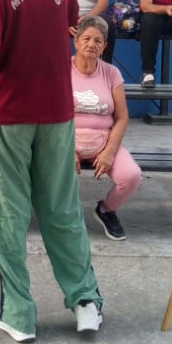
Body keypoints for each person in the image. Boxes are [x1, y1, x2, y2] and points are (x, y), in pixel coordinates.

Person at [0, 0, 104, 343]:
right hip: (56, 110)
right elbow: (68, 25)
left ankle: (19, 315)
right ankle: (86, 303)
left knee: (7, 213)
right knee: (62, 208)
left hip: (9, 114)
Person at [71, 15, 142, 242]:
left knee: (132, 176)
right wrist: (65, 149)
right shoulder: (61, 70)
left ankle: (106, 210)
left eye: (98, 41)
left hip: (103, 141)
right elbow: (50, 116)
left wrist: (110, 151)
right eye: (87, 39)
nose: (92, 44)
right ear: (76, 41)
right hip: (66, 142)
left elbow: (121, 118)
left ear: (105, 46)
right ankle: (61, 220)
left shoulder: (112, 73)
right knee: (49, 177)